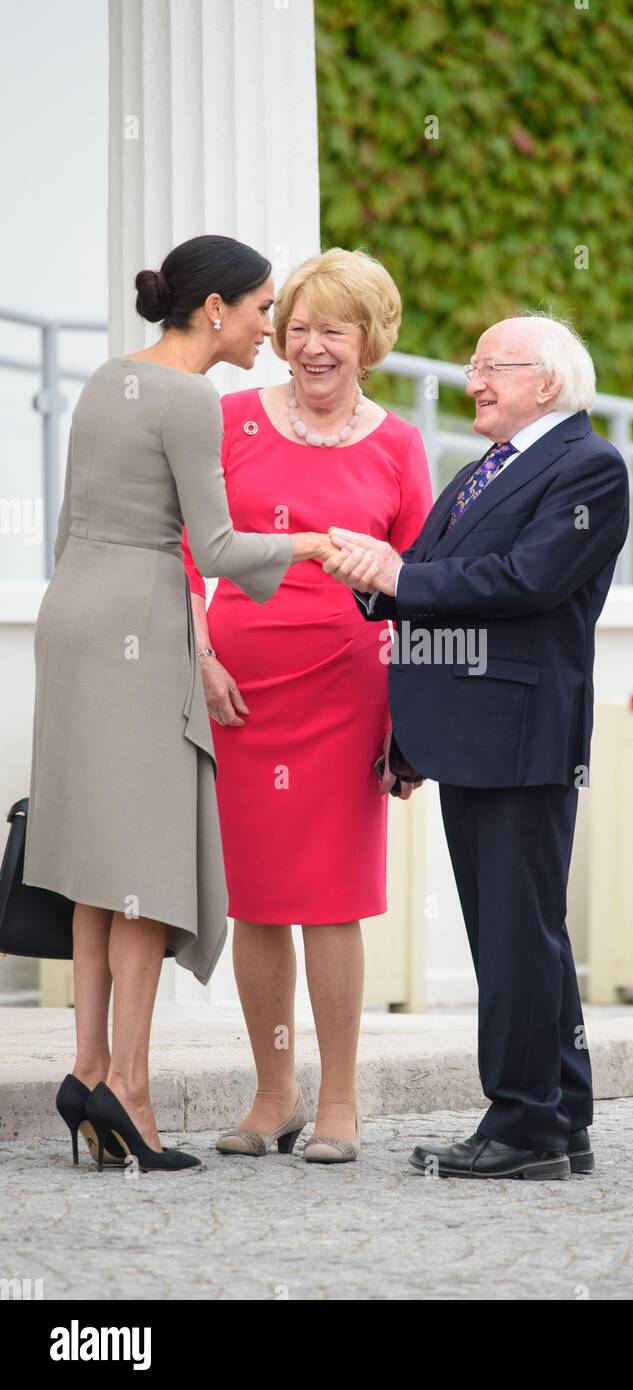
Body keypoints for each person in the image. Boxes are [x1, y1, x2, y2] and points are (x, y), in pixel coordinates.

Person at [26, 235, 336, 1173]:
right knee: (146, 868)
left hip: (72, 613)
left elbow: (70, 528)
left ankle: (89, 1073)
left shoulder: (105, 379)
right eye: (261, 309)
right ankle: (131, 1089)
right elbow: (222, 545)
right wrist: (318, 545)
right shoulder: (191, 396)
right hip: (139, 624)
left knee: (92, 862)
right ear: (213, 310)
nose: (270, 328)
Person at [324, 313, 629, 1180]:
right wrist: (372, 577)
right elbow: (420, 578)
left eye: (493, 366)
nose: (474, 380)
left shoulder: (590, 466)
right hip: (472, 735)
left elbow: (526, 580)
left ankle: (522, 1122)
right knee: (521, 930)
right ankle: (560, 1113)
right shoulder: (481, 469)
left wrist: (401, 577)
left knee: (517, 933)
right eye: (474, 365)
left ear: (549, 381)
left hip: (525, 736)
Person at [181, 248, 432, 1164]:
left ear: (369, 340)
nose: (311, 346)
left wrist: (412, 711)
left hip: (349, 692)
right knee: (256, 899)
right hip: (239, 691)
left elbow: (421, 583)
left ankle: (341, 1100)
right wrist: (200, 654)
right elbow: (182, 548)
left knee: (331, 900)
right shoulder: (230, 419)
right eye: (297, 328)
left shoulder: (401, 443)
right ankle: (274, 1091)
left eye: (334, 329)